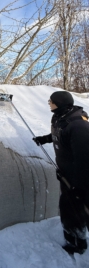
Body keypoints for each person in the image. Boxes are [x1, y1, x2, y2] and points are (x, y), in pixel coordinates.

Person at [33, 91, 89, 255]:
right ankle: (75, 240)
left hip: (79, 180)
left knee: (77, 210)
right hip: (68, 175)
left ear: (61, 103)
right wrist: (45, 138)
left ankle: (77, 243)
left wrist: (79, 185)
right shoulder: (61, 118)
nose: (49, 102)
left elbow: (85, 159)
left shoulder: (79, 125)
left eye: (51, 100)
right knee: (69, 209)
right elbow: (61, 134)